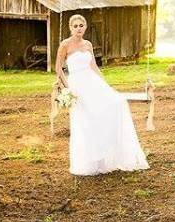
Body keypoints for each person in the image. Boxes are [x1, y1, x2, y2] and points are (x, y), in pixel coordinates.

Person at [55, 14, 149, 176]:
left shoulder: (88, 44)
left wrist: (106, 85)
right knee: (85, 120)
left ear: (85, 27)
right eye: (75, 26)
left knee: (116, 103)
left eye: (81, 25)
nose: (79, 28)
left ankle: (105, 157)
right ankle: (88, 162)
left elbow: (94, 67)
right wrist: (67, 89)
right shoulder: (65, 45)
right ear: (71, 28)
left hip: (92, 82)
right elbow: (58, 69)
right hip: (77, 86)